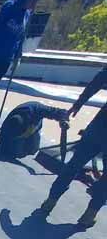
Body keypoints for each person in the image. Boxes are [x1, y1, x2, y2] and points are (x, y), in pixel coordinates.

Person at [38, 65, 107, 227]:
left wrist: (78, 104)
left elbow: (98, 80)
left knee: (75, 163)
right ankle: (89, 215)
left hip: (100, 124)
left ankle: (50, 201)